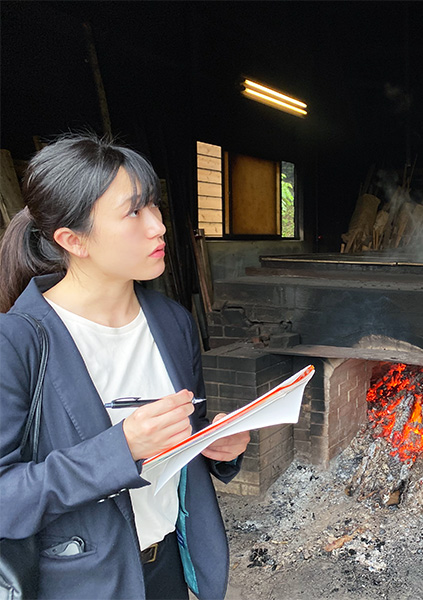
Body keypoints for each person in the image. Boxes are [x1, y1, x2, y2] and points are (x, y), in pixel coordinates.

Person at [0, 134, 251, 599]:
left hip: (169, 566)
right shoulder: (16, 342)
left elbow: (183, 433)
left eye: (153, 206)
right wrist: (122, 448)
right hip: (81, 584)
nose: (158, 226)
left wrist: (218, 444)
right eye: (133, 212)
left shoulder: (172, 322)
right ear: (73, 240)